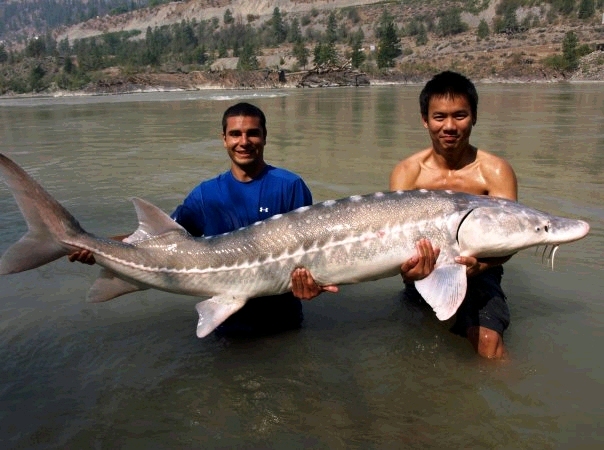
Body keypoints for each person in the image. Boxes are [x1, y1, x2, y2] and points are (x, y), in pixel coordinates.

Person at [70, 102, 337, 335]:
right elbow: (159, 243)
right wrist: (93, 245)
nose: (244, 142)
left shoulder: (290, 186)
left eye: (252, 133)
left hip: (284, 324)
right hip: (227, 326)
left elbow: (310, 254)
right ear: (224, 139)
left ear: (265, 137)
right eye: (235, 134)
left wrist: (311, 286)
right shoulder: (205, 195)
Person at [389, 71, 518, 359]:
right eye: (439, 117)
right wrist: (410, 270)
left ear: (474, 117)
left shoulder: (495, 171)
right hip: (424, 268)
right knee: (416, 338)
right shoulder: (408, 173)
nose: (449, 126)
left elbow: (513, 239)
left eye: (459, 115)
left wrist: (479, 267)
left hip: (480, 270)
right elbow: (397, 240)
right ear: (425, 119)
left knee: (488, 343)